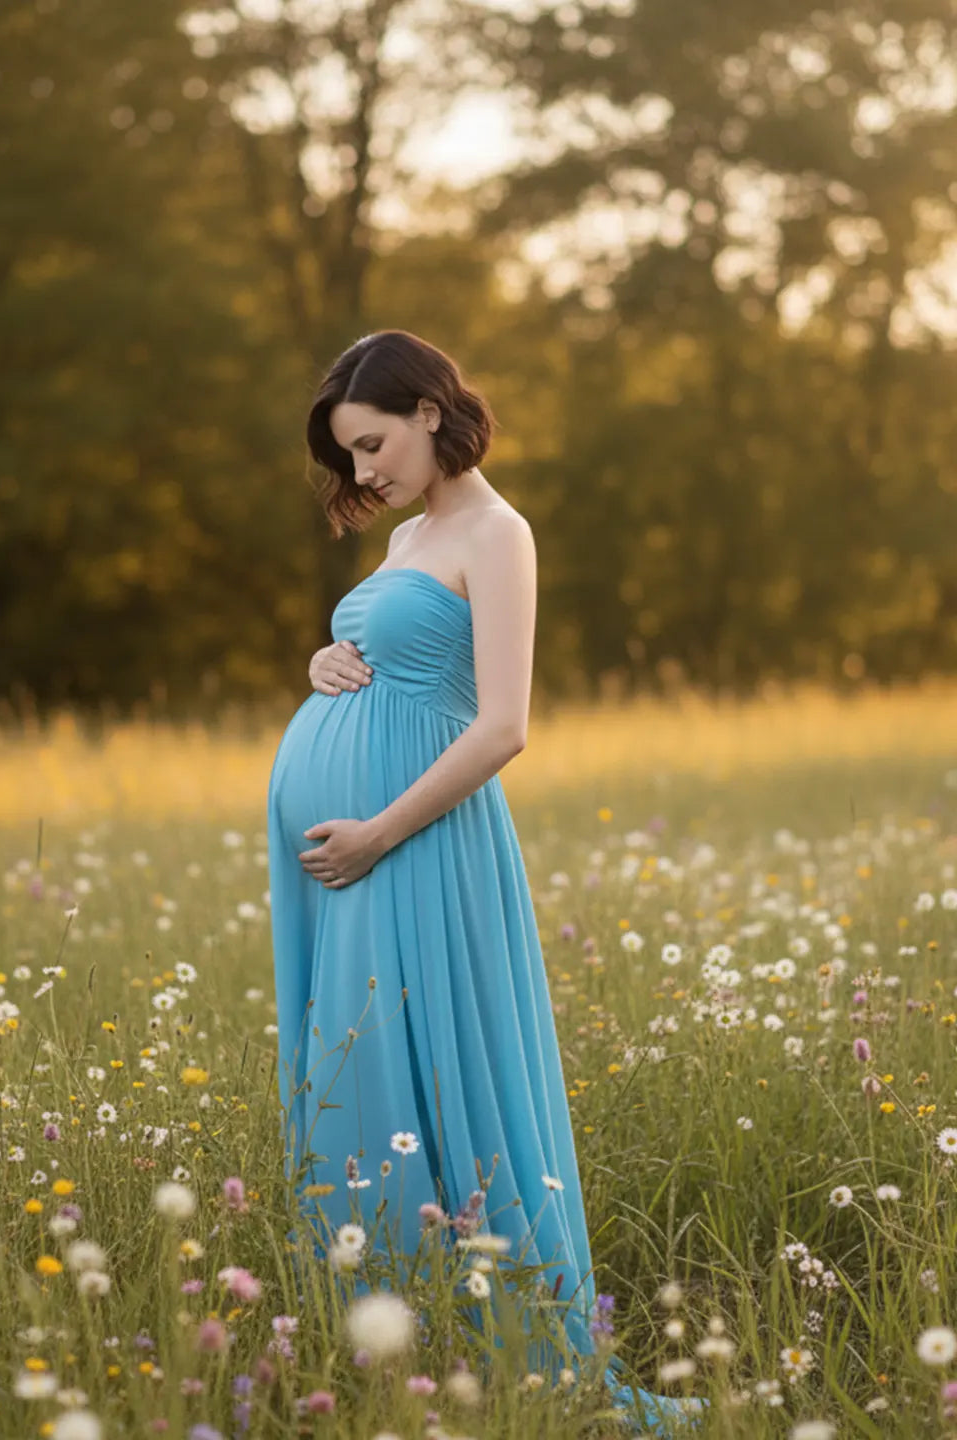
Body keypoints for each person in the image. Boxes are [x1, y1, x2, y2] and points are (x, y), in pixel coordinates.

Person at [266, 330, 705, 1435]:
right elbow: (398, 665)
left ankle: (494, 1357)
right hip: (357, 857)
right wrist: (327, 666)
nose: (361, 472)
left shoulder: (499, 534)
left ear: (425, 409)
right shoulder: (414, 535)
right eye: (347, 456)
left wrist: (375, 832)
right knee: (360, 1075)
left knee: (435, 1081)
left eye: (370, 444)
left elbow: (502, 724)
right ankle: (394, 1347)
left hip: (420, 844)